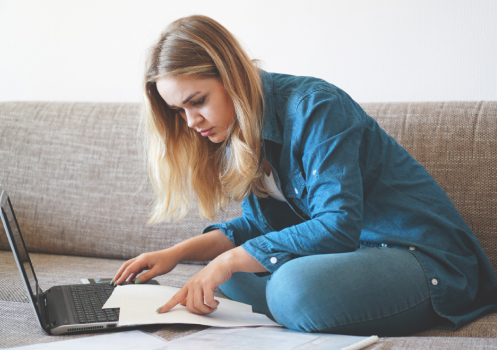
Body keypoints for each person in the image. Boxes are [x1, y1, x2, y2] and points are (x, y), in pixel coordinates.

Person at [112, 15, 497, 336]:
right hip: (347, 259)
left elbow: (338, 225)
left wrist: (228, 261)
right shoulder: (240, 131)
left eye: (197, 102)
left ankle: (301, 304)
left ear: (232, 76)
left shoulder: (315, 105)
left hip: (418, 258)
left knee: (289, 286)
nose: (192, 121)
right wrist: (176, 255)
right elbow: (260, 227)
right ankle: (306, 305)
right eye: (179, 110)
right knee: (233, 276)